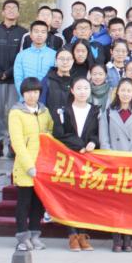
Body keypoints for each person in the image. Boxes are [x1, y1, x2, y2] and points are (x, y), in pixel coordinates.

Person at [50, 77, 99, 252]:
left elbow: (97, 133)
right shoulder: (63, 111)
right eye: (79, 88)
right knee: (70, 197)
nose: (82, 91)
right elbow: (59, 134)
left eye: (86, 88)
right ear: (72, 90)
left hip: (88, 161)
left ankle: (83, 235)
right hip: (69, 159)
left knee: (85, 198)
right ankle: (72, 235)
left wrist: (93, 142)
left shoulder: (95, 110)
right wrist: (79, 145)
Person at [100, 78, 132, 253]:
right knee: (115, 202)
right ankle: (116, 237)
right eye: (123, 90)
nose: (125, 94)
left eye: (129, 90)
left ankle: (128, 237)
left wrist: (130, 158)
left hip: (131, 163)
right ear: (117, 92)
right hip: (113, 163)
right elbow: (104, 139)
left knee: (129, 202)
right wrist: (113, 157)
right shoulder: (107, 113)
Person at [9, 77, 52, 252]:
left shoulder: (44, 112)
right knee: (24, 203)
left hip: (42, 165)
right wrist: (28, 165)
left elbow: (50, 133)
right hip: (25, 166)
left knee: (38, 203)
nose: (32, 95)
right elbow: (17, 142)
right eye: (28, 92)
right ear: (23, 93)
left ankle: (35, 235)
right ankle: (22, 237)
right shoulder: (16, 113)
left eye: (35, 92)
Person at [0, 0, 25, 159]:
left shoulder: (23, 33)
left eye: (14, 8)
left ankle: (13, 145)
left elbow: (21, 58)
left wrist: (8, 73)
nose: (11, 10)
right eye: (8, 7)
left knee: (14, 114)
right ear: (3, 12)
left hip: (14, 80)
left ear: (18, 13)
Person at [13, 20, 56, 97]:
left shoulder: (54, 55)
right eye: (36, 31)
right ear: (30, 35)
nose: (39, 34)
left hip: (48, 98)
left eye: (43, 32)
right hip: (27, 98)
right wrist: (25, 96)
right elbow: (18, 79)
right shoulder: (21, 55)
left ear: (47, 35)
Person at [39, 48, 75, 113]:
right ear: (55, 61)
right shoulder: (46, 81)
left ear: (73, 61)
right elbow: (41, 106)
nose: (65, 62)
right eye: (61, 59)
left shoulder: (76, 82)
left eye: (68, 59)